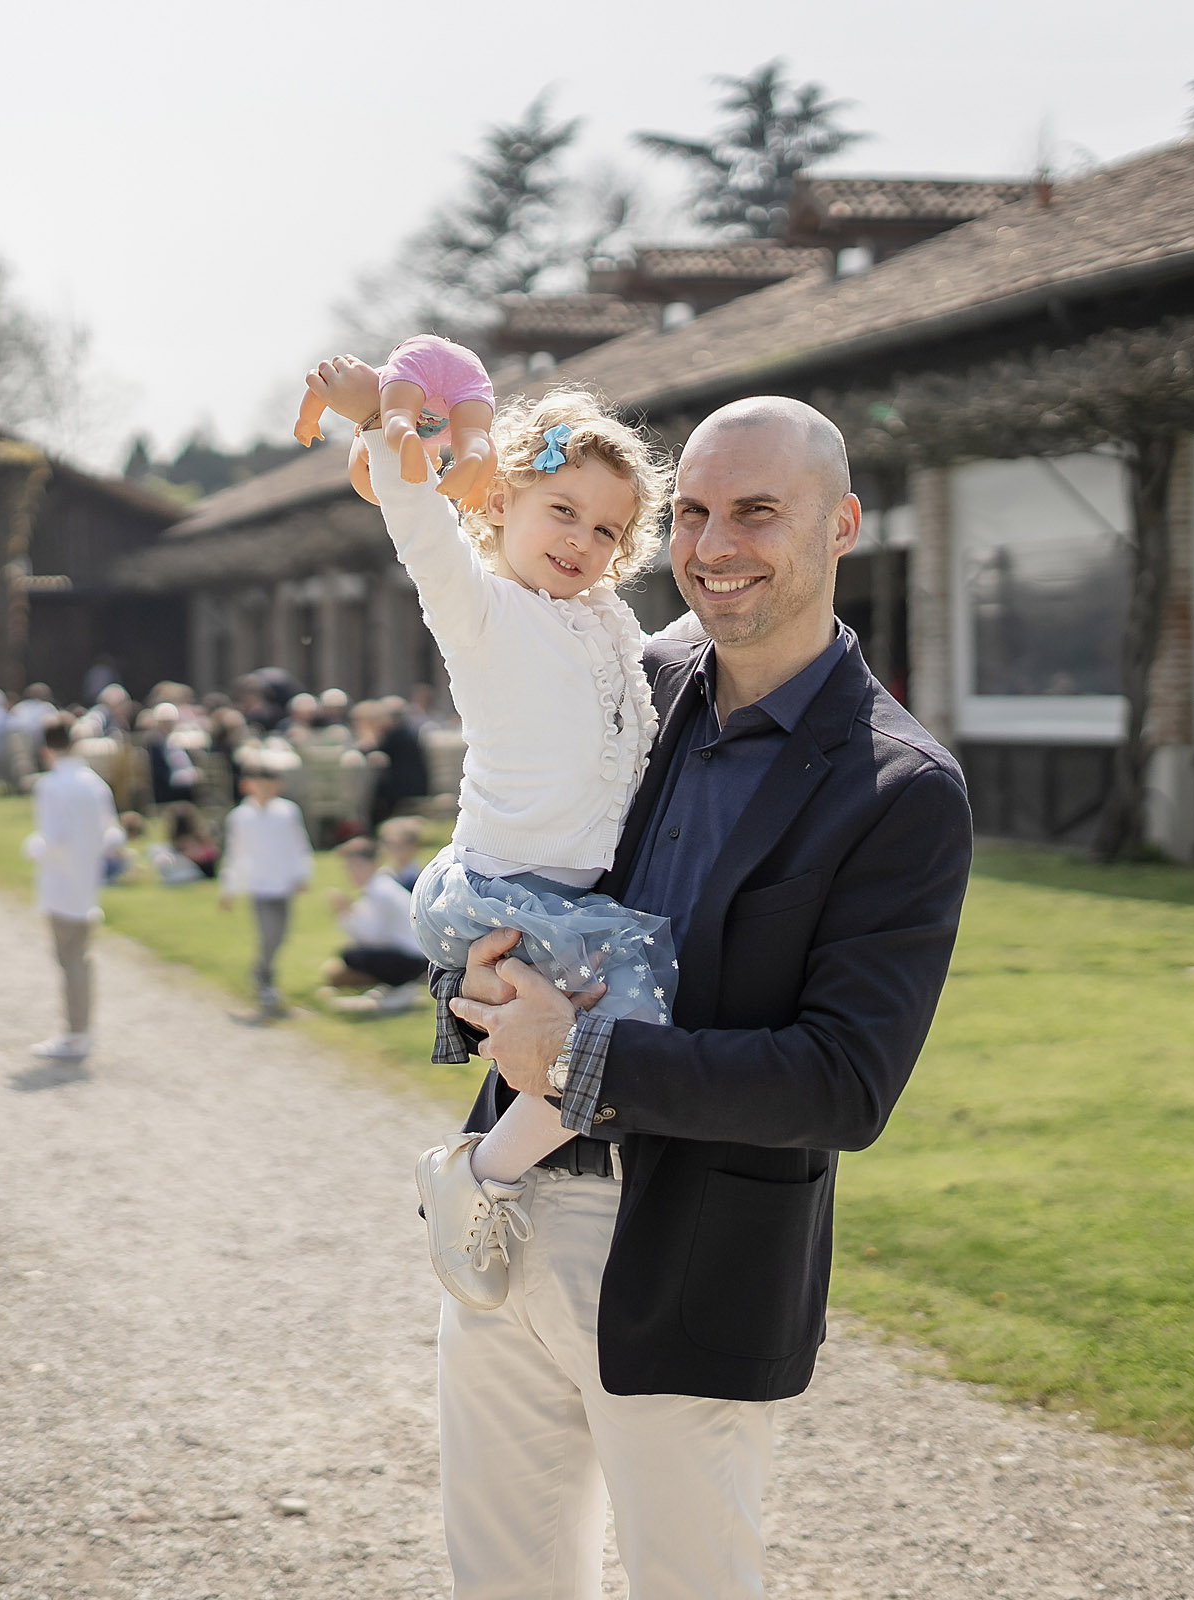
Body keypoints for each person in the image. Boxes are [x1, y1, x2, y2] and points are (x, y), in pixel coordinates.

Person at [431, 397, 972, 1597]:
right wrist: (462, 977)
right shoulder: (632, 668)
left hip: (693, 1257)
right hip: (507, 1213)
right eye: (693, 514)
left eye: (757, 512)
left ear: (843, 526)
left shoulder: (903, 788)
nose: (714, 543)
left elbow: (844, 1082)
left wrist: (583, 1059)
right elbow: (519, 849)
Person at [298, 354, 675, 1298]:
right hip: (507, 888)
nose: (584, 541)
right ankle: (481, 1176)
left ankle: (512, 1170)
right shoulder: (485, 611)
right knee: (631, 1018)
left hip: (559, 893)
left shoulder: (605, 622)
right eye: (563, 511)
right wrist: (398, 441)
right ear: (501, 499)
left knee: (609, 1033)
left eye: (608, 530)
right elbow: (422, 527)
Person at [24, 719, 117, 1062]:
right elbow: (112, 835)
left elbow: (55, 839)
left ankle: (76, 1034)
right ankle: (81, 1030)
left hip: (62, 884)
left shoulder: (51, 785)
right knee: (80, 957)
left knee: (70, 961)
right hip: (87, 881)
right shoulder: (94, 783)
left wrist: (33, 847)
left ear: (46, 749)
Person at [218, 752, 311, 1021]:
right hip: (260, 886)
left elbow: (298, 844)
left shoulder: (287, 812)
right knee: (268, 934)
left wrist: (301, 873)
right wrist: (229, 888)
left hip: (283, 884)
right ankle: (264, 980)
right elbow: (235, 853)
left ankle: (265, 975)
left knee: (281, 935)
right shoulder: (241, 817)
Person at [319, 837, 429, 999]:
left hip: (413, 957)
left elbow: (371, 936)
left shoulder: (381, 891)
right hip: (412, 953)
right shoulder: (379, 886)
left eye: (356, 867)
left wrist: (344, 913)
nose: (351, 873)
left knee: (351, 955)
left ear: (372, 864)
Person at [354, 697, 432, 835]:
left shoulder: (395, 735)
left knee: (371, 795)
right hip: (410, 785)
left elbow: (374, 754)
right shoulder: (401, 732)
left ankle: (369, 833)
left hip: (405, 788)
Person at [377, 814, 427, 891]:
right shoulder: (382, 876)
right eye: (390, 844)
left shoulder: (422, 877)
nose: (396, 850)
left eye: (402, 845)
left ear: (414, 846)